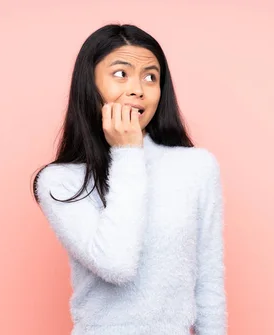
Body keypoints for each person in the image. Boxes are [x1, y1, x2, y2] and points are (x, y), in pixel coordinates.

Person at [32, 23, 227, 335]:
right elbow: (117, 264)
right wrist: (127, 153)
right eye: (121, 74)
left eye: (151, 77)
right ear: (89, 85)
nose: (138, 88)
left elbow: (208, 280)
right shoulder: (59, 182)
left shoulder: (196, 166)